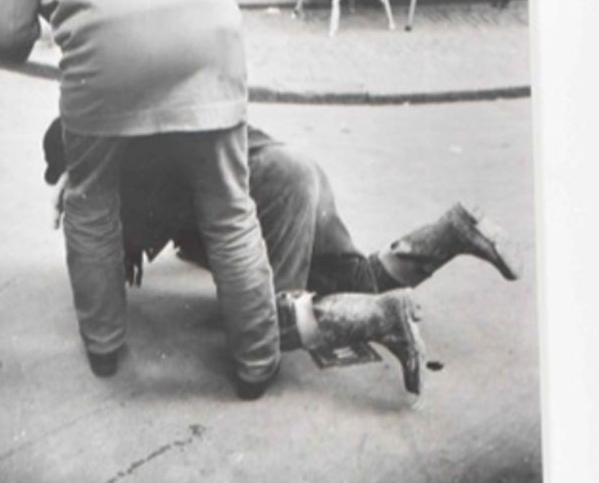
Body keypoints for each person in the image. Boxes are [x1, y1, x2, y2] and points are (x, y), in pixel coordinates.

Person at [0, 0, 281, 398]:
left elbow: (4, 35)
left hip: (108, 55)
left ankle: (106, 349)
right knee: (230, 208)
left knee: (91, 200)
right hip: (213, 41)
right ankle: (258, 364)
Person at [43, 117, 522, 398]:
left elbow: (127, 239)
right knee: (358, 277)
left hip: (272, 198)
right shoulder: (157, 116)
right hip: (299, 172)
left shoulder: (123, 172)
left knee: (264, 326)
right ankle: (453, 231)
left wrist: (110, 226)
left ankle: (383, 317)